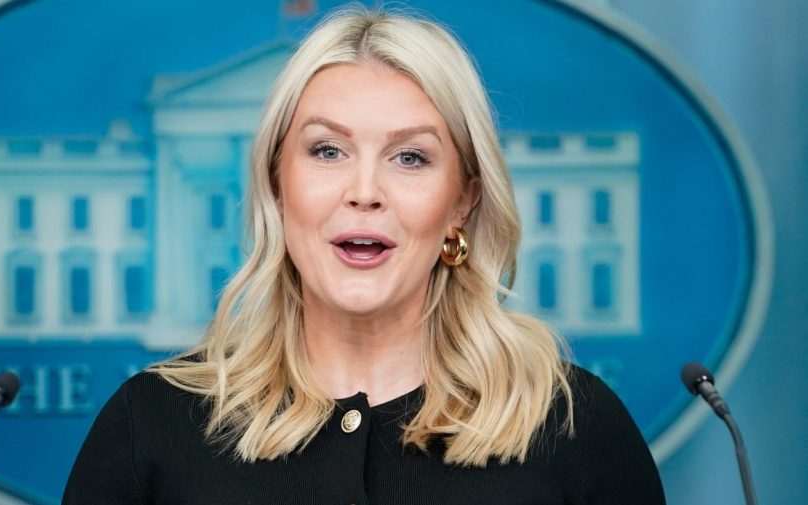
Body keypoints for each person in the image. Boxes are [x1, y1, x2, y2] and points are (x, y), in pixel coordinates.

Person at [63, 7, 665, 504]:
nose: (364, 191)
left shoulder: (575, 426)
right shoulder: (149, 425)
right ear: (277, 186)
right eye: (327, 151)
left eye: (410, 157)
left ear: (462, 202)